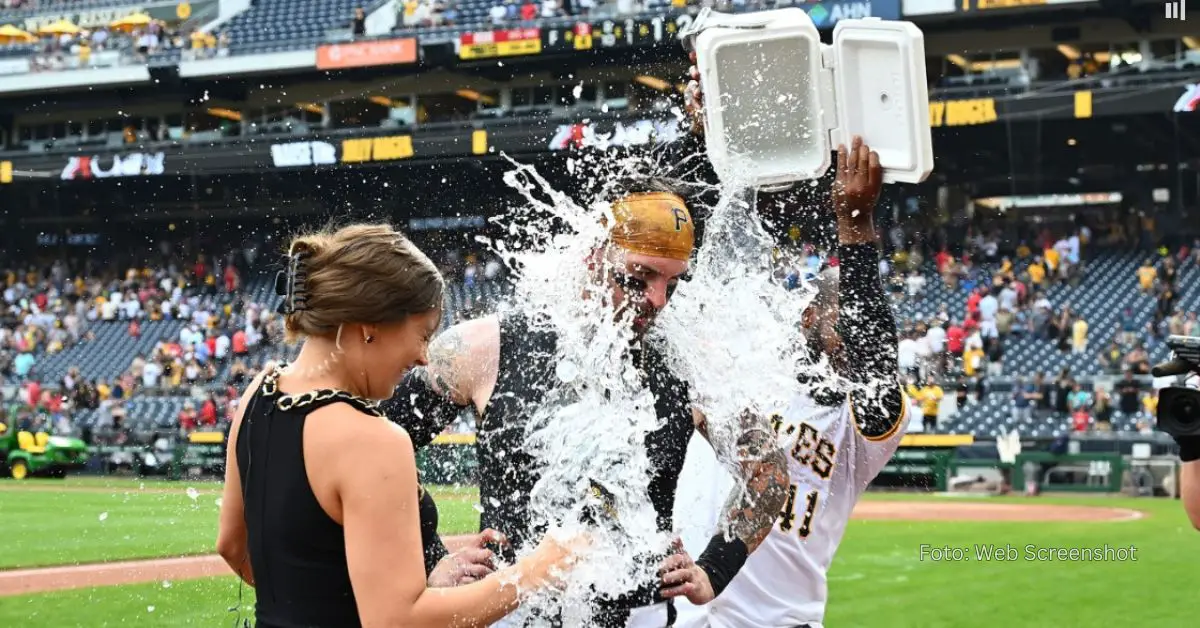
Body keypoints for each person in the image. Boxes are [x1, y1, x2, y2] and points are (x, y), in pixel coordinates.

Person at [384, 177, 790, 627]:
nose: (657, 300)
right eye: (639, 277)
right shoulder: (485, 348)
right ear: (593, 253)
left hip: (640, 614)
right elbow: (373, 448)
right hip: (511, 611)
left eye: (673, 284)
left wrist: (714, 569)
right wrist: (430, 558)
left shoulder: (689, 361)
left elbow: (768, 470)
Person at [215, 224, 581, 628]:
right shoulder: (372, 439)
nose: (425, 358)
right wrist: (533, 573)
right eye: (422, 335)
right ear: (371, 324)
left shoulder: (259, 392)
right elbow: (398, 623)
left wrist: (400, 586)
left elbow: (233, 545)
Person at [673, 138, 908, 628]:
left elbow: (872, 354)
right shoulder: (746, 366)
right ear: (807, 317)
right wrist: (705, 140)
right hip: (685, 612)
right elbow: (694, 264)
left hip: (777, 622)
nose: (849, 330)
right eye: (837, 314)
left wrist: (855, 225)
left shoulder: (857, 428)